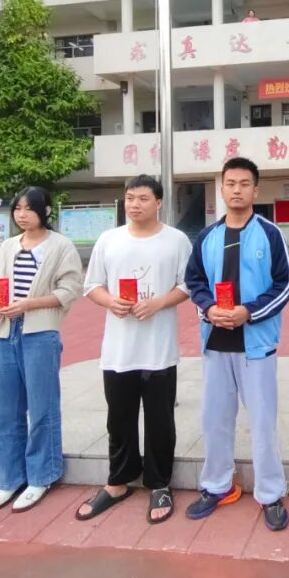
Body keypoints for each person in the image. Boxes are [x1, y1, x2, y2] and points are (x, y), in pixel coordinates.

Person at [185, 157, 289, 532]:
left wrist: (249, 311)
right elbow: (194, 282)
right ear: (221, 188)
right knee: (215, 419)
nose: (236, 190)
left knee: (262, 423)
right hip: (216, 343)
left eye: (244, 184)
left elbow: (285, 285)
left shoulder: (270, 234)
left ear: (255, 190)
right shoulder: (207, 237)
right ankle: (217, 486)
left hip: (256, 345)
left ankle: (270, 493)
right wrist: (209, 308)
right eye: (230, 183)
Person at [77, 175, 193, 524]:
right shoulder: (109, 240)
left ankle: (159, 483)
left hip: (159, 349)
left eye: (143, 198)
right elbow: (92, 285)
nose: (134, 205)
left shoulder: (176, 240)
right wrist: (110, 301)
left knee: (160, 420)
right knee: (119, 418)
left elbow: (188, 285)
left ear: (159, 202)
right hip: (118, 349)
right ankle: (118, 482)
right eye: (129, 198)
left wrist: (158, 303)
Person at [0, 187, 84, 512]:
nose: (22, 214)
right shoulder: (8, 246)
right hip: (4, 331)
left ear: (45, 211)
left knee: (42, 408)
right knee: (5, 410)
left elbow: (70, 289)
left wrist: (29, 304)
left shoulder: (60, 246)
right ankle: (10, 479)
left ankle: (42, 475)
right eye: (18, 208)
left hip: (40, 332)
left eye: (29, 208)